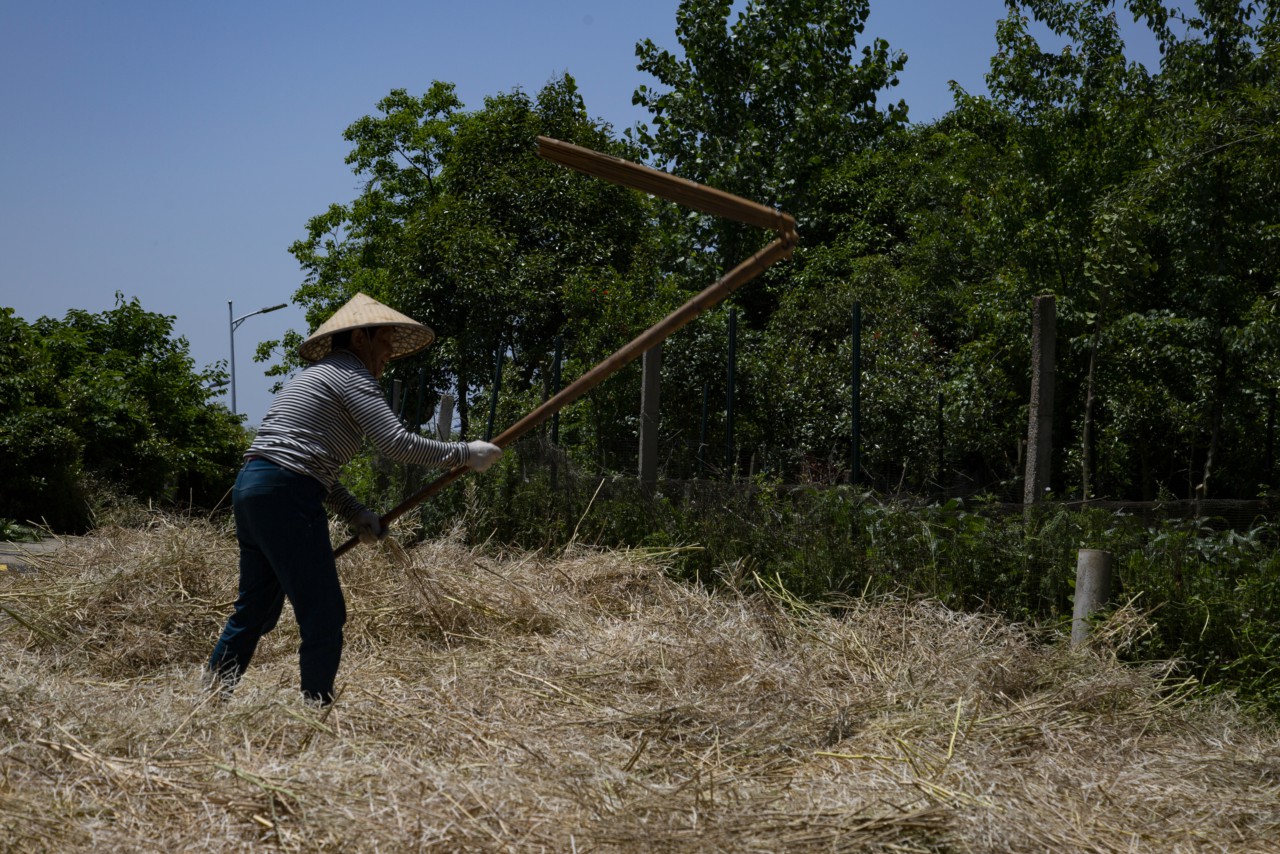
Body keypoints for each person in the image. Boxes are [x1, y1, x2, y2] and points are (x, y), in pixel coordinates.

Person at [206, 292, 501, 705]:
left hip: (253, 488)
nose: (386, 358)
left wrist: (355, 512)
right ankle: (316, 709)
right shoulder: (351, 375)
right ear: (361, 337)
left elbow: (309, 464)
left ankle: (211, 699)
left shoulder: (316, 376)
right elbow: (395, 443)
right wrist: (464, 454)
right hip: (286, 493)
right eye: (383, 345)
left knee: (254, 609)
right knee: (324, 614)